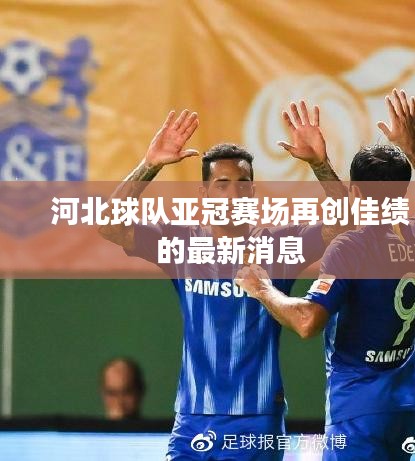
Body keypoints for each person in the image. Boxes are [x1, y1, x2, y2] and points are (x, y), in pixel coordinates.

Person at [99, 101, 347, 460]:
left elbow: (347, 224)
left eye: (243, 185)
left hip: (255, 421)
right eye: (222, 185)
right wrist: (149, 164)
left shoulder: (279, 246)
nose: (233, 195)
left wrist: (320, 165)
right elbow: (109, 225)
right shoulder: (181, 244)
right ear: (203, 195)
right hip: (191, 421)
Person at [235, 89, 415, 461]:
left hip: (357, 409)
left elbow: (307, 321)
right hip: (405, 407)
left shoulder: (351, 247)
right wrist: (414, 149)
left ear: (355, 190)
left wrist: (262, 289)